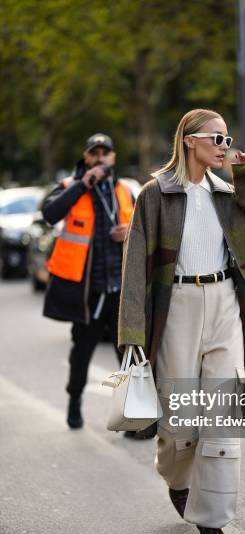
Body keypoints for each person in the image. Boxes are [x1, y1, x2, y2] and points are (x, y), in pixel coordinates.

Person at [118, 109, 245, 534]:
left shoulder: (228, 193)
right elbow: (135, 269)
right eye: (217, 138)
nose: (224, 146)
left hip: (226, 301)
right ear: (190, 140)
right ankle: (176, 476)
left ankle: (212, 518)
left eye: (228, 139)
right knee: (180, 418)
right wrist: (132, 334)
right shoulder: (156, 194)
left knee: (220, 415)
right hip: (178, 308)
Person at [42, 133, 155, 438]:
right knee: (82, 351)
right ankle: (75, 399)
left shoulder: (125, 191)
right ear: (87, 157)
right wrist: (83, 183)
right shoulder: (71, 187)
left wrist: (128, 232)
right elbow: (50, 214)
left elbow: (146, 231)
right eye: (95, 153)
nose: (101, 157)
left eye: (106, 152)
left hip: (120, 288)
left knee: (128, 354)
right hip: (88, 292)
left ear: (113, 158)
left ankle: (131, 417)